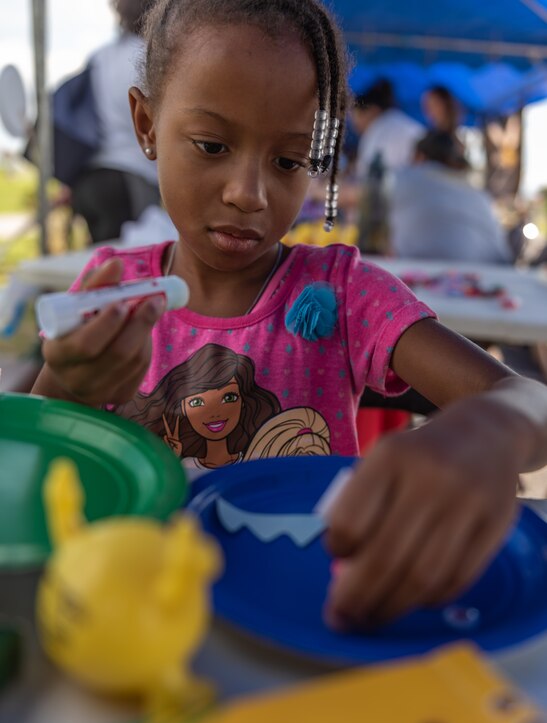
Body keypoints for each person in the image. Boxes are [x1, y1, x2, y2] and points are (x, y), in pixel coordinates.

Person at [31, 0, 547, 631]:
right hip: (143, 622)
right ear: (146, 123)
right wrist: (68, 388)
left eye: (288, 161)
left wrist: (491, 430)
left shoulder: (347, 294)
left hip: (306, 622)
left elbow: (527, 399)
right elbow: (37, 468)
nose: (248, 192)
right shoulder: (115, 294)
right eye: (212, 145)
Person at [70, 0, 161, 242]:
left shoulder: (100, 57)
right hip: (130, 179)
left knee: (102, 265)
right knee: (130, 265)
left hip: (89, 179)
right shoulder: (149, 58)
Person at [389, 130, 513, 264]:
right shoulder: (478, 194)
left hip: (417, 271)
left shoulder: (398, 179)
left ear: (419, 156)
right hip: (489, 271)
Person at [352, 79, 425, 181]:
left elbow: (364, 181)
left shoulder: (376, 131)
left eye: (357, 116)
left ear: (373, 110)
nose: (355, 124)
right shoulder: (406, 123)